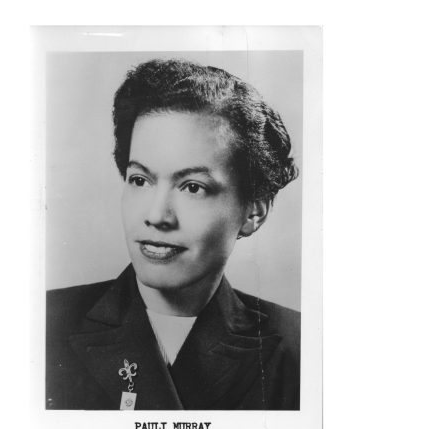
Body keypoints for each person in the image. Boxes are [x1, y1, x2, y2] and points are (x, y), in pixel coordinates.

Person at [46, 58, 300, 410]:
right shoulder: (42, 322)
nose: (155, 215)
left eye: (192, 187)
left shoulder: (302, 347)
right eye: (140, 180)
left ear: (253, 211)